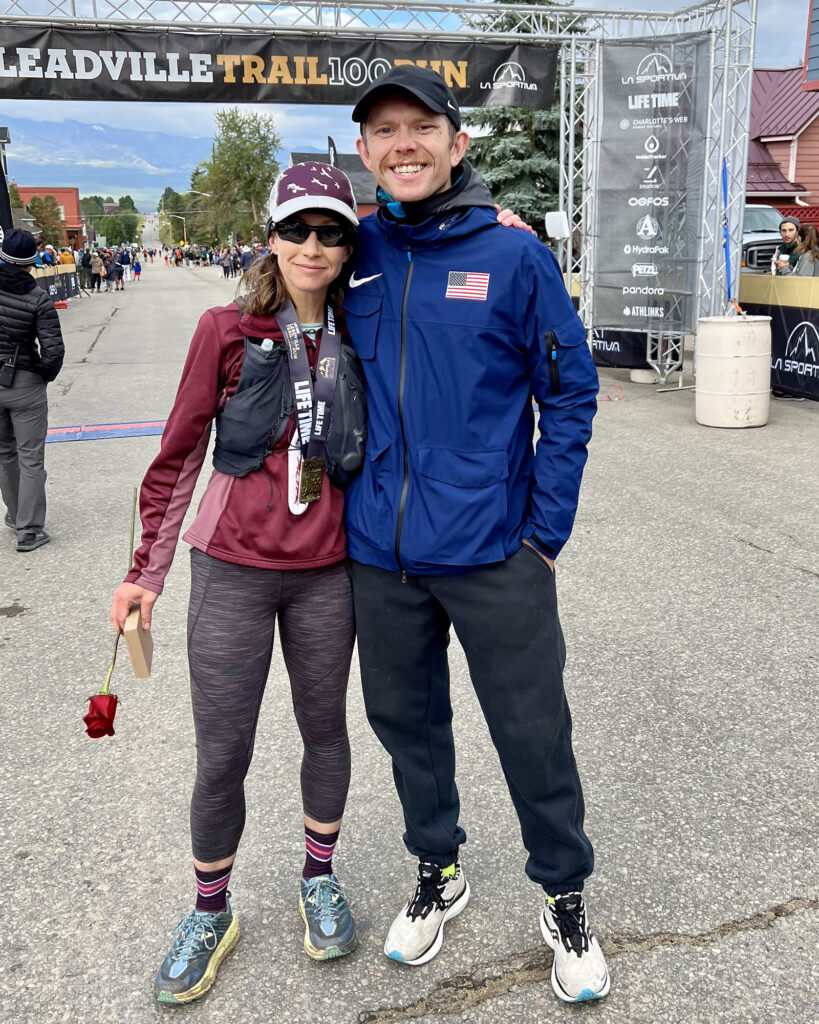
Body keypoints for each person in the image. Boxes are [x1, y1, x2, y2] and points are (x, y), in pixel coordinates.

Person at [343, 66, 609, 1004]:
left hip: (498, 551)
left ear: (458, 145)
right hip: (381, 553)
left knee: (534, 733)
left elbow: (570, 392)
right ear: (365, 153)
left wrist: (545, 528)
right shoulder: (352, 250)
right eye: (384, 131)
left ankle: (565, 893)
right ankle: (437, 873)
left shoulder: (514, 257)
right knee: (406, 728)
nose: (403, 143)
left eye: (422, 127)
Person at [108, 164, 365, 1005]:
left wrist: (502, 226)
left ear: (348, 243)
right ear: (271, 235)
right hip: (233, 570)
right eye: (297, 229)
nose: (313, 247)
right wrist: (146, 572)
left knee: (324, 732)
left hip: (328, 572)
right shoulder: (226, 328)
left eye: (330, 232)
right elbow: (178, 452)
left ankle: (317, 877)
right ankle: (210, 910)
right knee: (224, 752)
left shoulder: (368, 326)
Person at [0, 228, 65, 551]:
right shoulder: (38, 298)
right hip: (23, 379)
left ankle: (14, 513)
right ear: (31, 262)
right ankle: (28, 529)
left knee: (4, 452)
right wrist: (43, 376)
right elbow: (53, 350)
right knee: (30, 456)